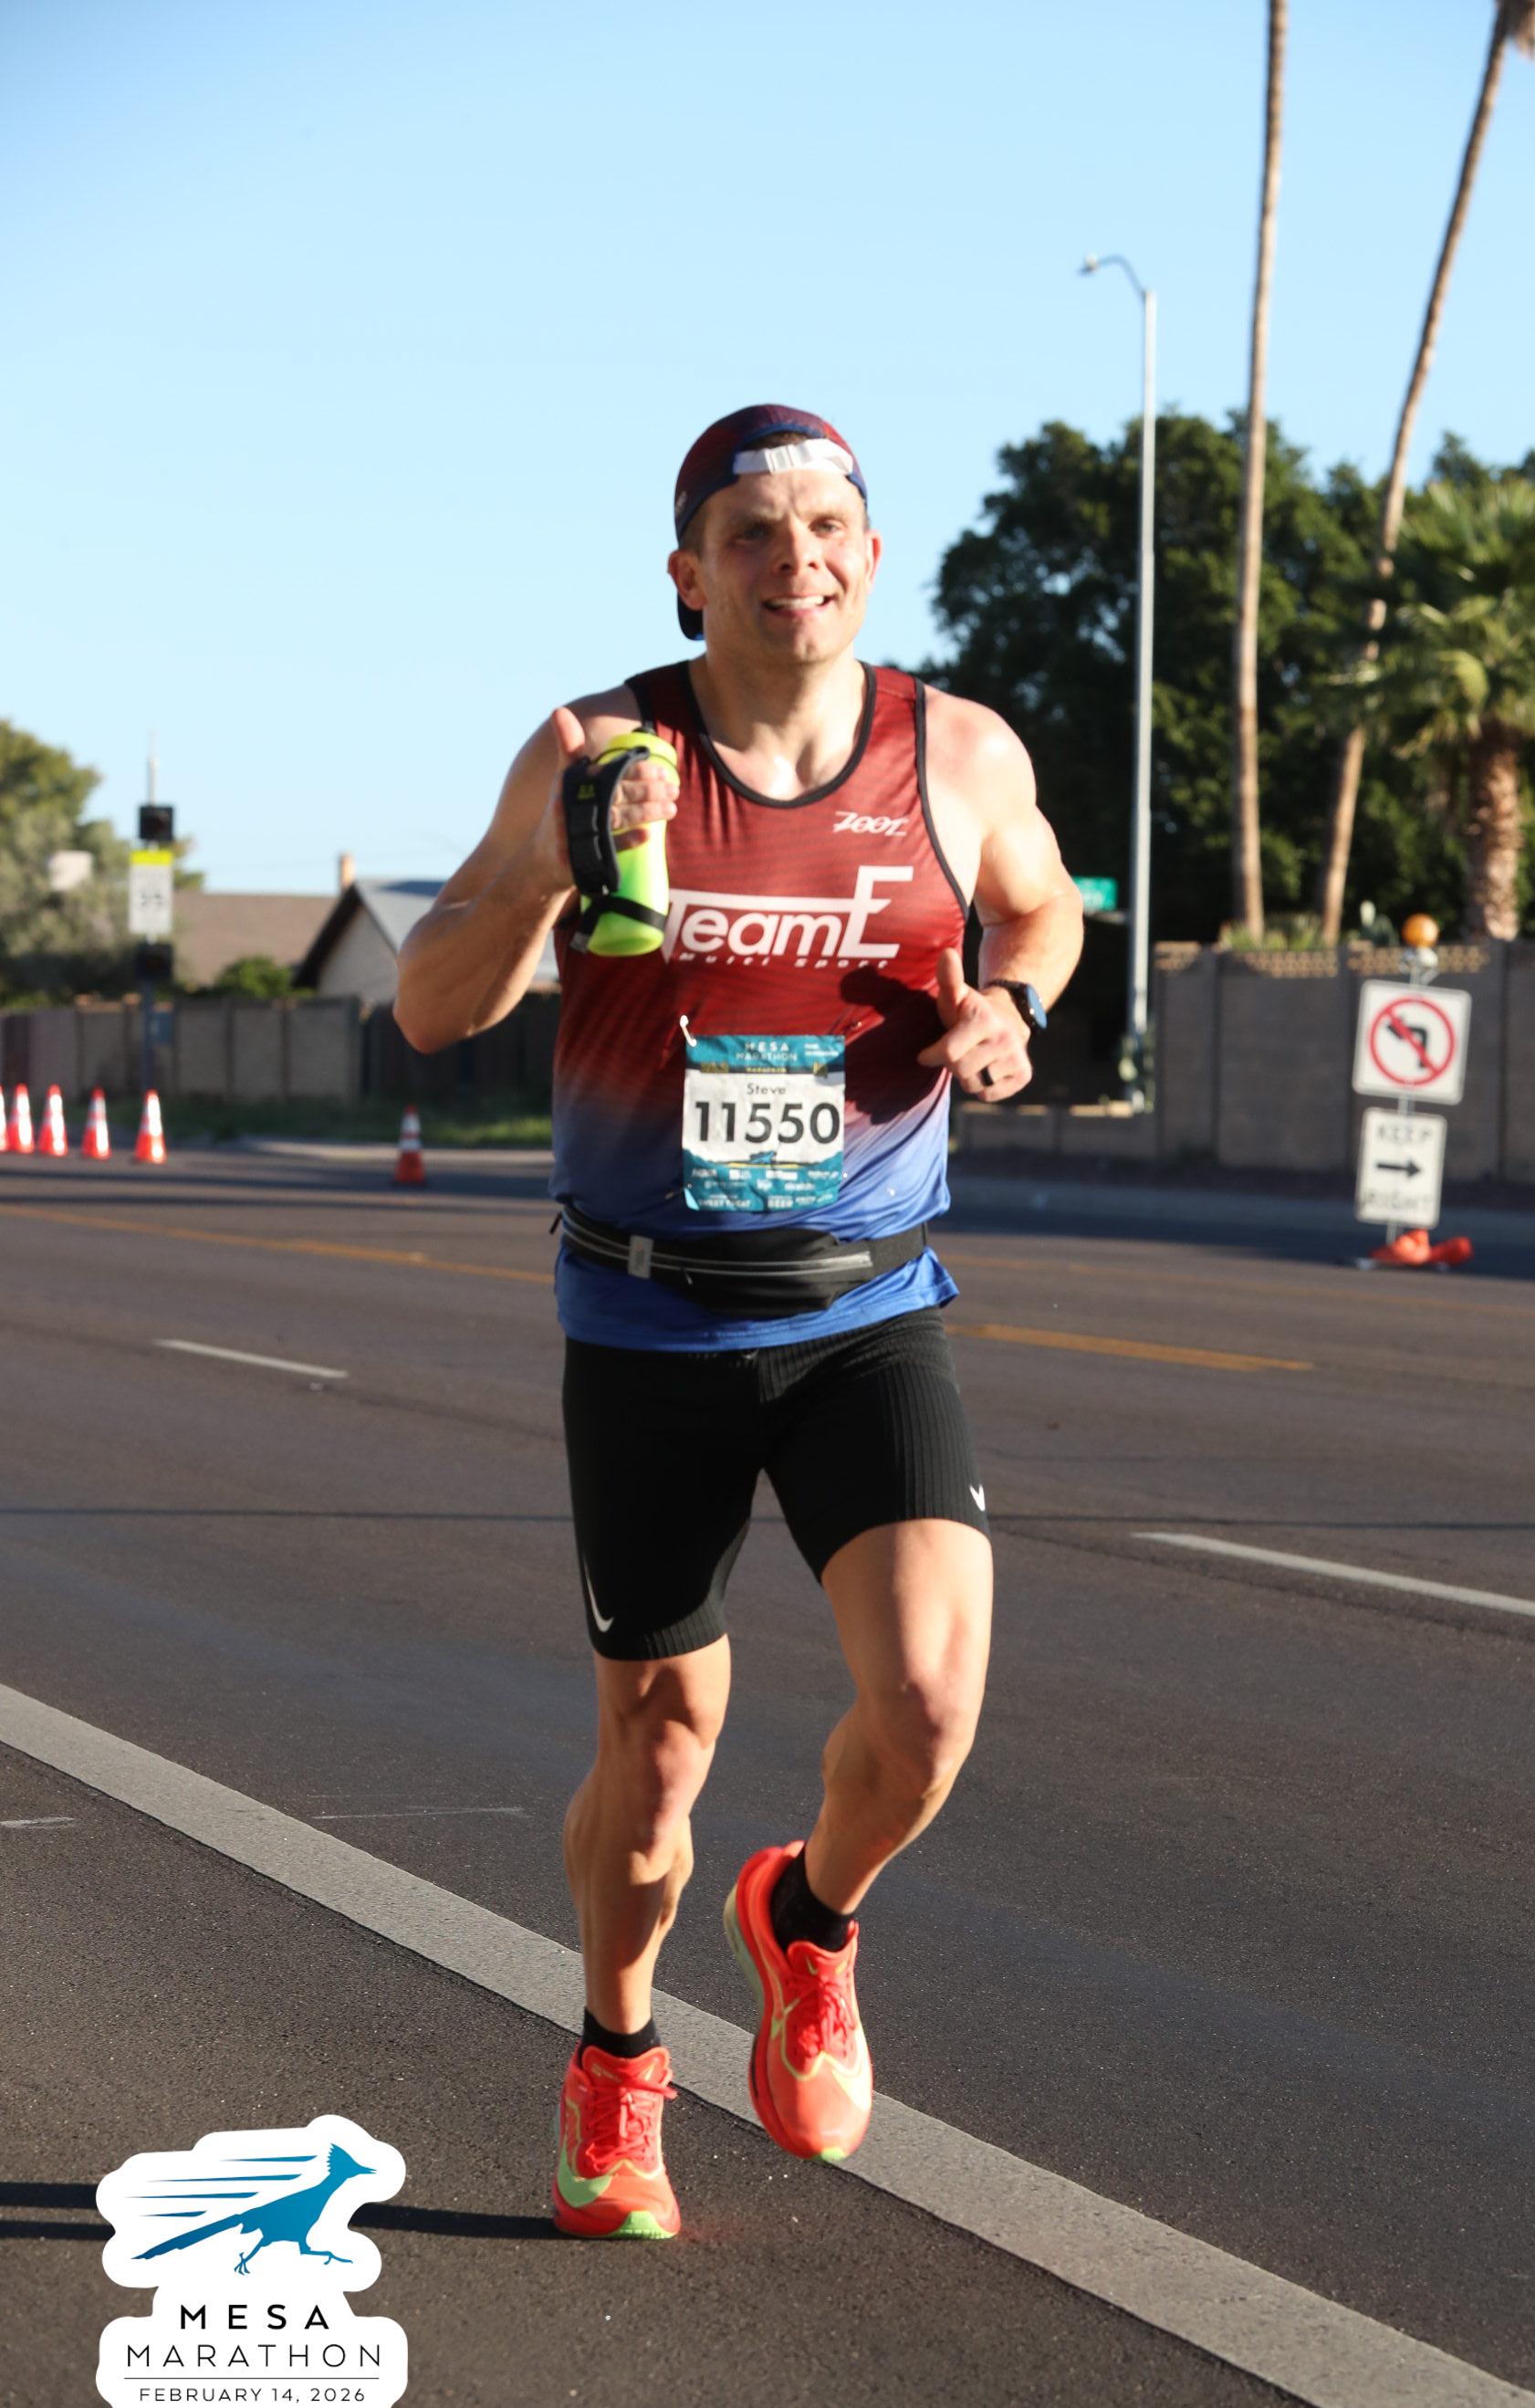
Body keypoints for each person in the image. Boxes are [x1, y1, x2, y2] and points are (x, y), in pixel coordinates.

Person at [395, 404, 1083, 2239]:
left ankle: (807, 1916)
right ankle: (618, 2059)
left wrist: (1011, 1007)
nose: (800, 560)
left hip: (869, 1304)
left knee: (929, 1706)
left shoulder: (958, 750)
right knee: (657, 1760)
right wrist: (548, 870)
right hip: (650, 1323)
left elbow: (1040, 910)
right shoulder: (601, 750)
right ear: (688, 574)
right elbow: (433, 1006)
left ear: (872, 553)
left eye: (829, 526)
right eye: (755, 534)